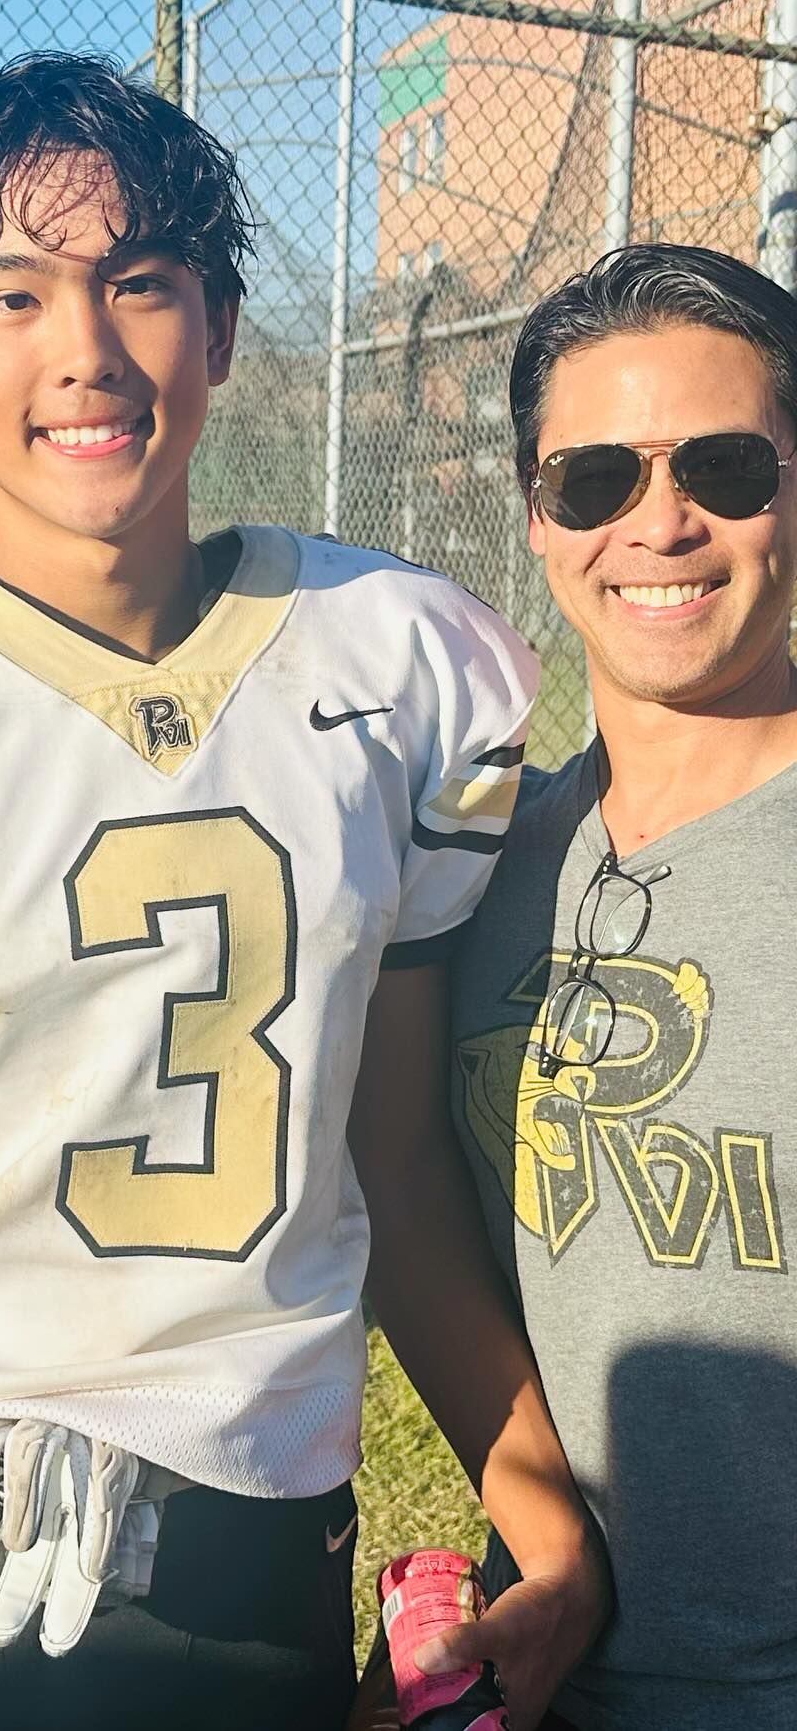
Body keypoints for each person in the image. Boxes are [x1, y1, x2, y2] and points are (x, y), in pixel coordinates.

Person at [0, 54, 608, 1731]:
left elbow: (389, 1140)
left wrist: (533, 1506)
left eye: (140, 282)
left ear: (220, 332)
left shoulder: (404, 663)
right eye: (12, 292)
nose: (83, 350)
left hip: (253, 1529)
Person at [450, 242, 797, 1730]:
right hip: (543, 1660)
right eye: (593, 481)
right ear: (537, 519)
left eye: (724, 466)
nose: (660, 524)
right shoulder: (474, 874)